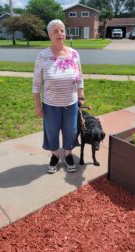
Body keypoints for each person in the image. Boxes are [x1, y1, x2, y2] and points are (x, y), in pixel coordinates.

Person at [33, 19, 84, 174]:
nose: (60, 34)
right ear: (49, 35)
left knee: (71, 130)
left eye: (62, 30)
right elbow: (36, 83)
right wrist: (37, 104)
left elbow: (79, 76)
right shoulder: (43, 56)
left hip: (71, 102)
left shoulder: (74, 54)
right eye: (55, 31)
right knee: (52, 131)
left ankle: (68, 154)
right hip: (50, 104)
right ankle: (55, 155)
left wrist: (81, 95)